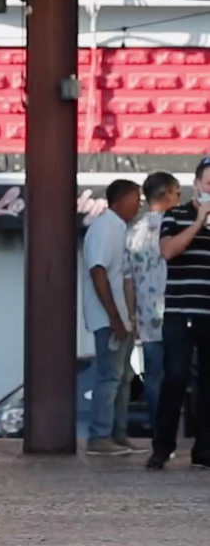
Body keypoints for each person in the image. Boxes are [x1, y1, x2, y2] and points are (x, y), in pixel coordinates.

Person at [147, 161, 210, 470]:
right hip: (180, 313)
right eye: (209, 183)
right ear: (196, 185)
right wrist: (199, 222)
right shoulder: (175, 216)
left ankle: (204, 449)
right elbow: (168, 251)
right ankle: (162, 447)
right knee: (175, 378)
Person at [82, 179, 142, 456]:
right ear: (120, 200)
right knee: (109, 376)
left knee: (123, 376)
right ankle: (99, 437)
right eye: (135, 198)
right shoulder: (104, 228)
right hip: (108, 319)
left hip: (120, 317)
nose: (139, 203)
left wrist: (129, 317)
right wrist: (115, 317)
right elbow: (98, 271)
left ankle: (118, 434)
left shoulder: (120, 229)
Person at [126, 172, 178, 430]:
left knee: (154, 379)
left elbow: (128, 279)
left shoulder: (134, 230)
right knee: (183, 377)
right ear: (166, 194)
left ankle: (160, 435)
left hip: (147, 320)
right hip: (178, 314)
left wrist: (132, 316)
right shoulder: (178, 226)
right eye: (177, 193)